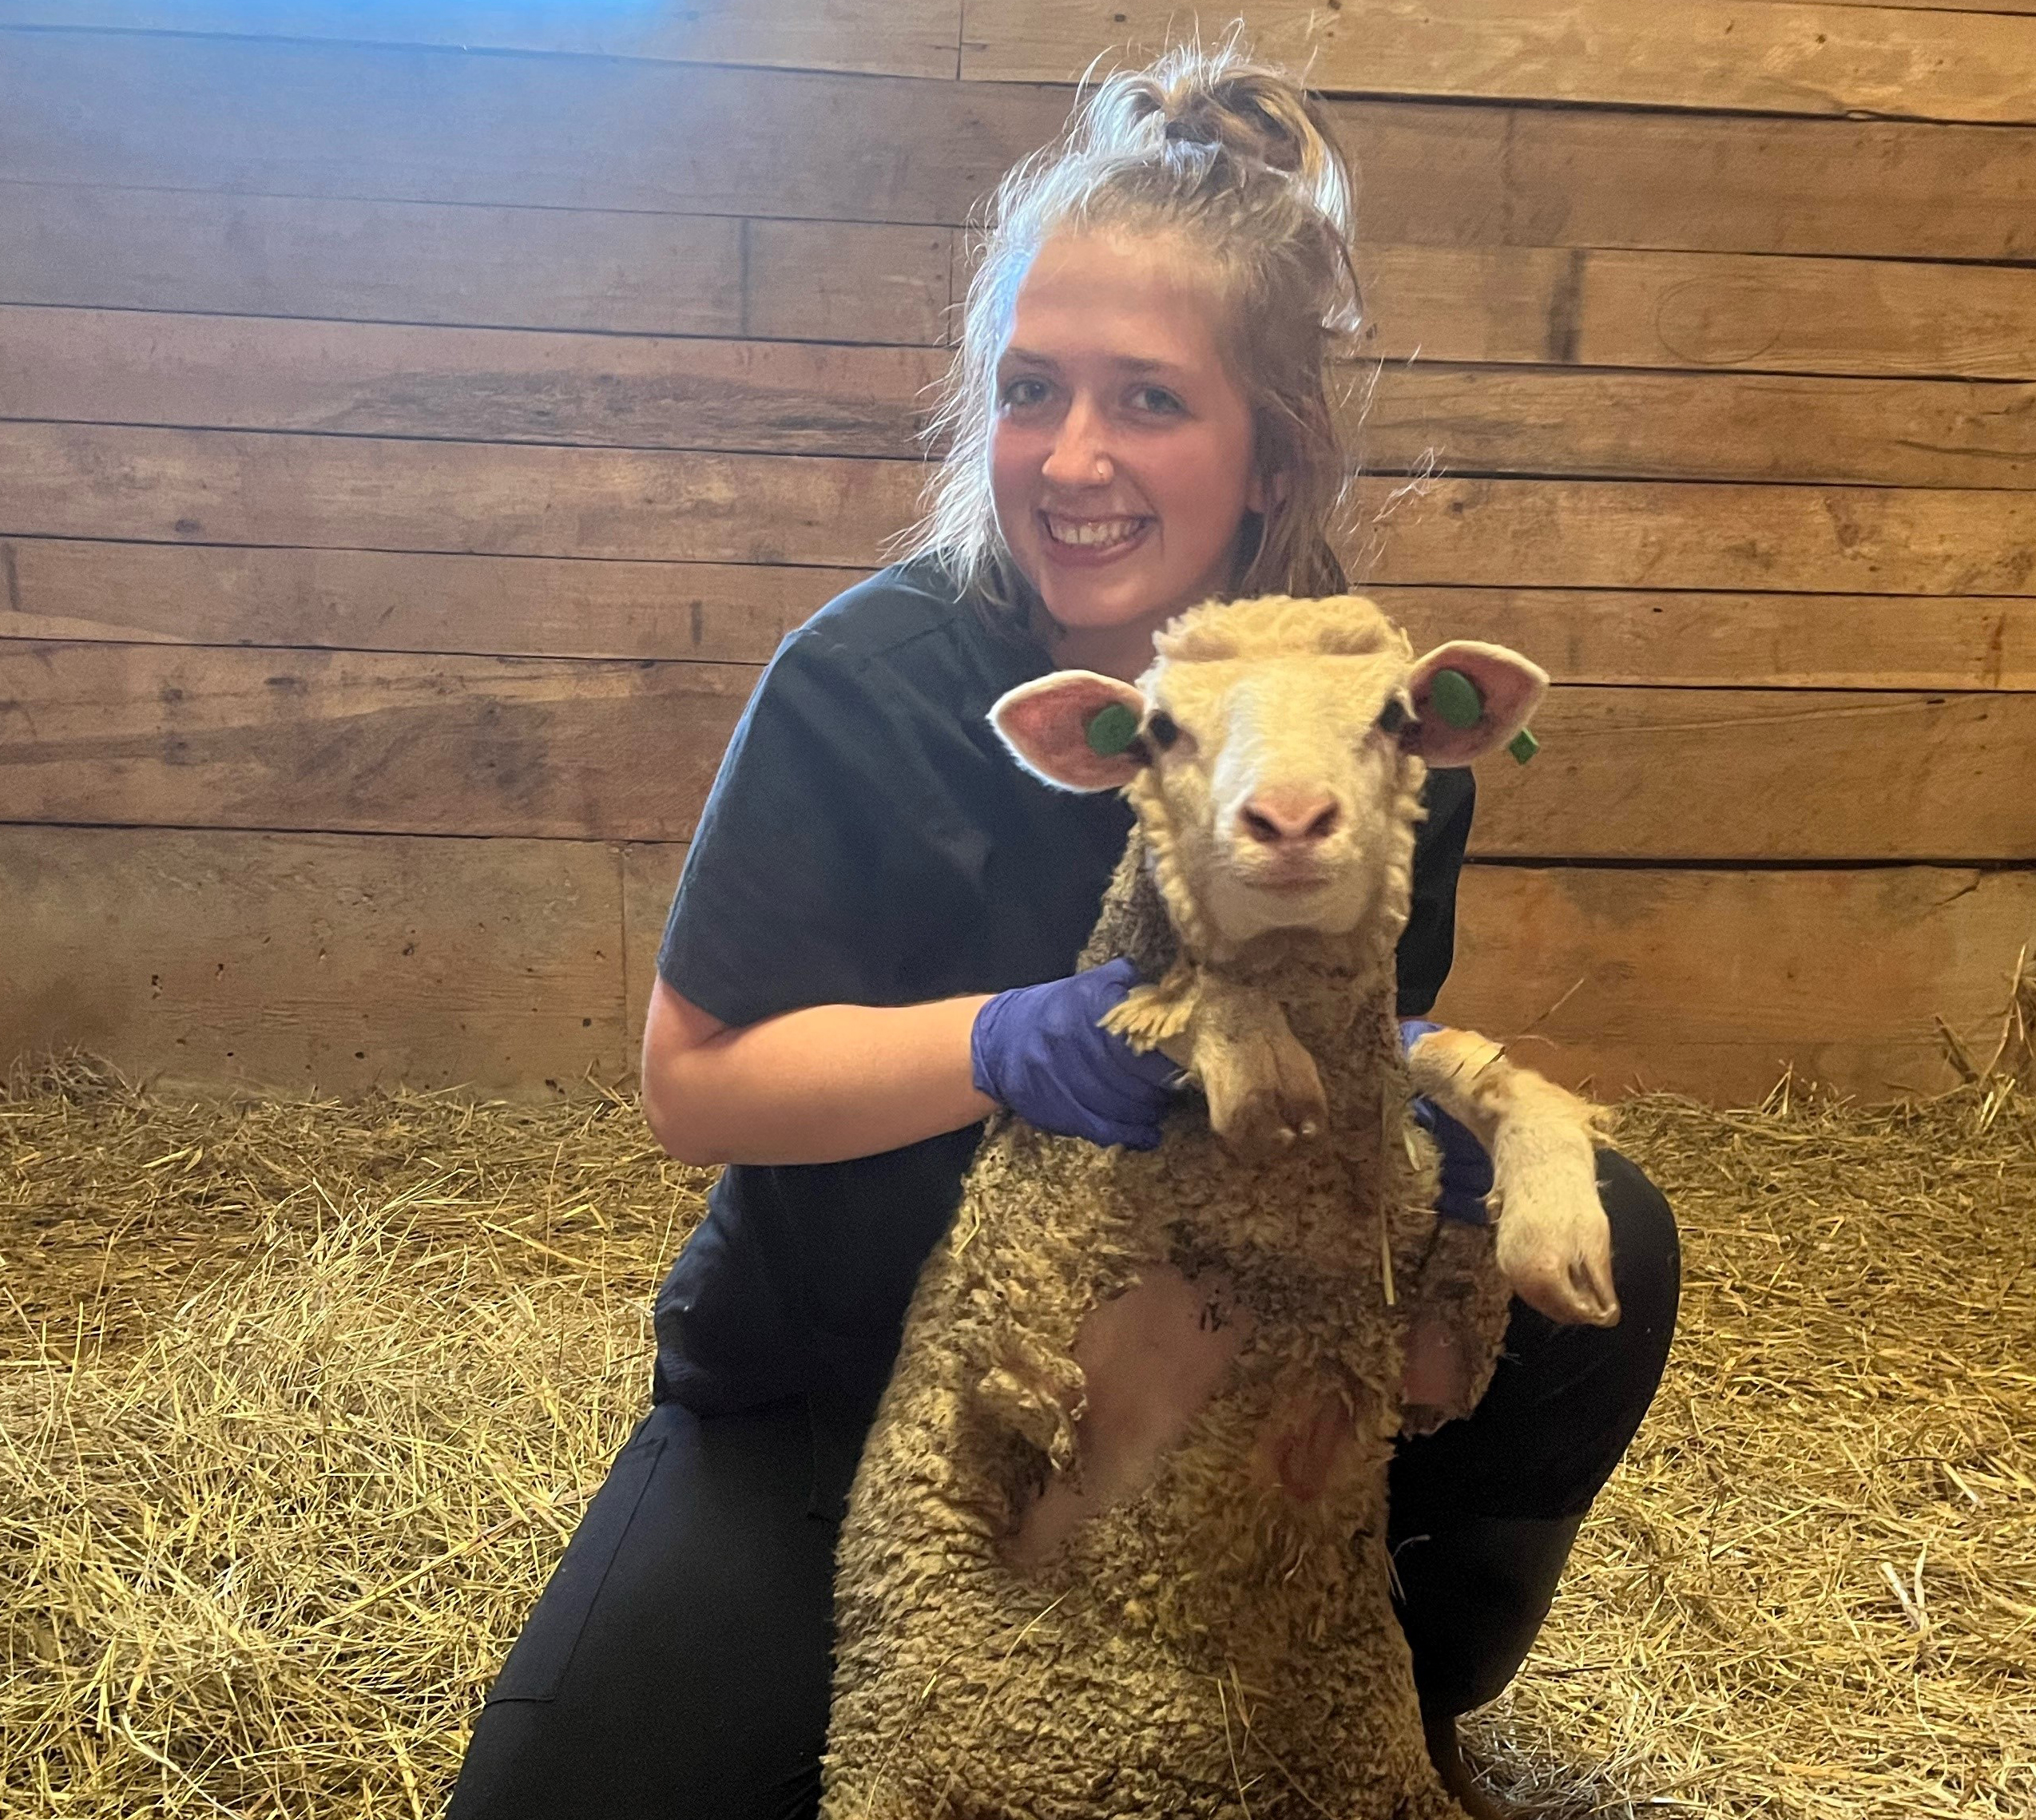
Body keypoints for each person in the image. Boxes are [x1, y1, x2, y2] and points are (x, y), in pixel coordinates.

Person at [447, 43, 1678, 1820]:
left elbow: (1321, 1112)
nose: (1072, 459)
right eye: (1030, 392)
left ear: (1272, 451)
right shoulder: (868, 681)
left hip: (1195, 1398)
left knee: (1594, 1237)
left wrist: (1459, 1159)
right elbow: (691, 1085)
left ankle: (1395, 1651)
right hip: (834, 1389)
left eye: (1147, 402)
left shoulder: (1359, 735)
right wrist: (1008, 1041)